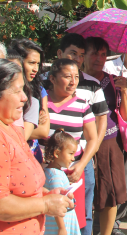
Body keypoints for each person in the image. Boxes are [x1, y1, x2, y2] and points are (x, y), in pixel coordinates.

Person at [0, 60, 74, 234]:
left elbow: (19, 187)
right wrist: (45, 204)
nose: (25, 98)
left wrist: (47, 194)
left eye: (23, 90)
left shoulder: (13, 130)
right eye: (17, 91)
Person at [82, 38, 127, 235]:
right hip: (81, 142)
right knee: (85, 193)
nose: (99, 59)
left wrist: (124, 90)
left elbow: (126, 115)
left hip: (109, 142)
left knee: (110, 194)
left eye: (103, 54)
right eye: (94, 53)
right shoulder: (74, 79)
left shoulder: (112, 80)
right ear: (83, 55)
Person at [44, 59, 99, 231]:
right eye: (67, 76)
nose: (73, 81)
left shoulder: (82, 105)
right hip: (44, 173)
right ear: (52, 79)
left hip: (73, 173)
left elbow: (93, 139)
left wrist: (81, 165)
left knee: (75, 218)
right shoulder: (41, 102)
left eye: (76, 76)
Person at [102, 54, 127, 235]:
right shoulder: (108, 67)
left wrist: (126, 88)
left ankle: (116, 220)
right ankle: (101, 219)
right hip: (107, 121)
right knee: (107, 172)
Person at [10, 39, 50, 154]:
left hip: (29, 153)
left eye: (38, 64)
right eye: (31, 63)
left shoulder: (38, 91)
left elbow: (43, 130)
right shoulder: (5, 89)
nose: (36, 69)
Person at [43, 130, 81, 235]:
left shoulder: (54, 172)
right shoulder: (55, 176)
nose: (73, 158)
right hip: (60, 224)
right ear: (57, 153)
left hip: (62, 221)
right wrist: (61, 228)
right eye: (70, 153)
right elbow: (56, 202)